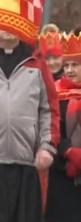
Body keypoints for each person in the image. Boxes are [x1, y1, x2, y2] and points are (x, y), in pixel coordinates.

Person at [0, 27, 59, 222]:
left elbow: (49, 109)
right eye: (2, 23)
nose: (8, 29)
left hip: (26, 167)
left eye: (12, 22)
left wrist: (46, 147)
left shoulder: (37, 64)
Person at [45, 33, 81, 221]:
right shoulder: (56, 93)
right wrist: (67, 152)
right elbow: (49, 129)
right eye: (66, 65)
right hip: (62, 173)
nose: (69, 70)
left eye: (75, 65)